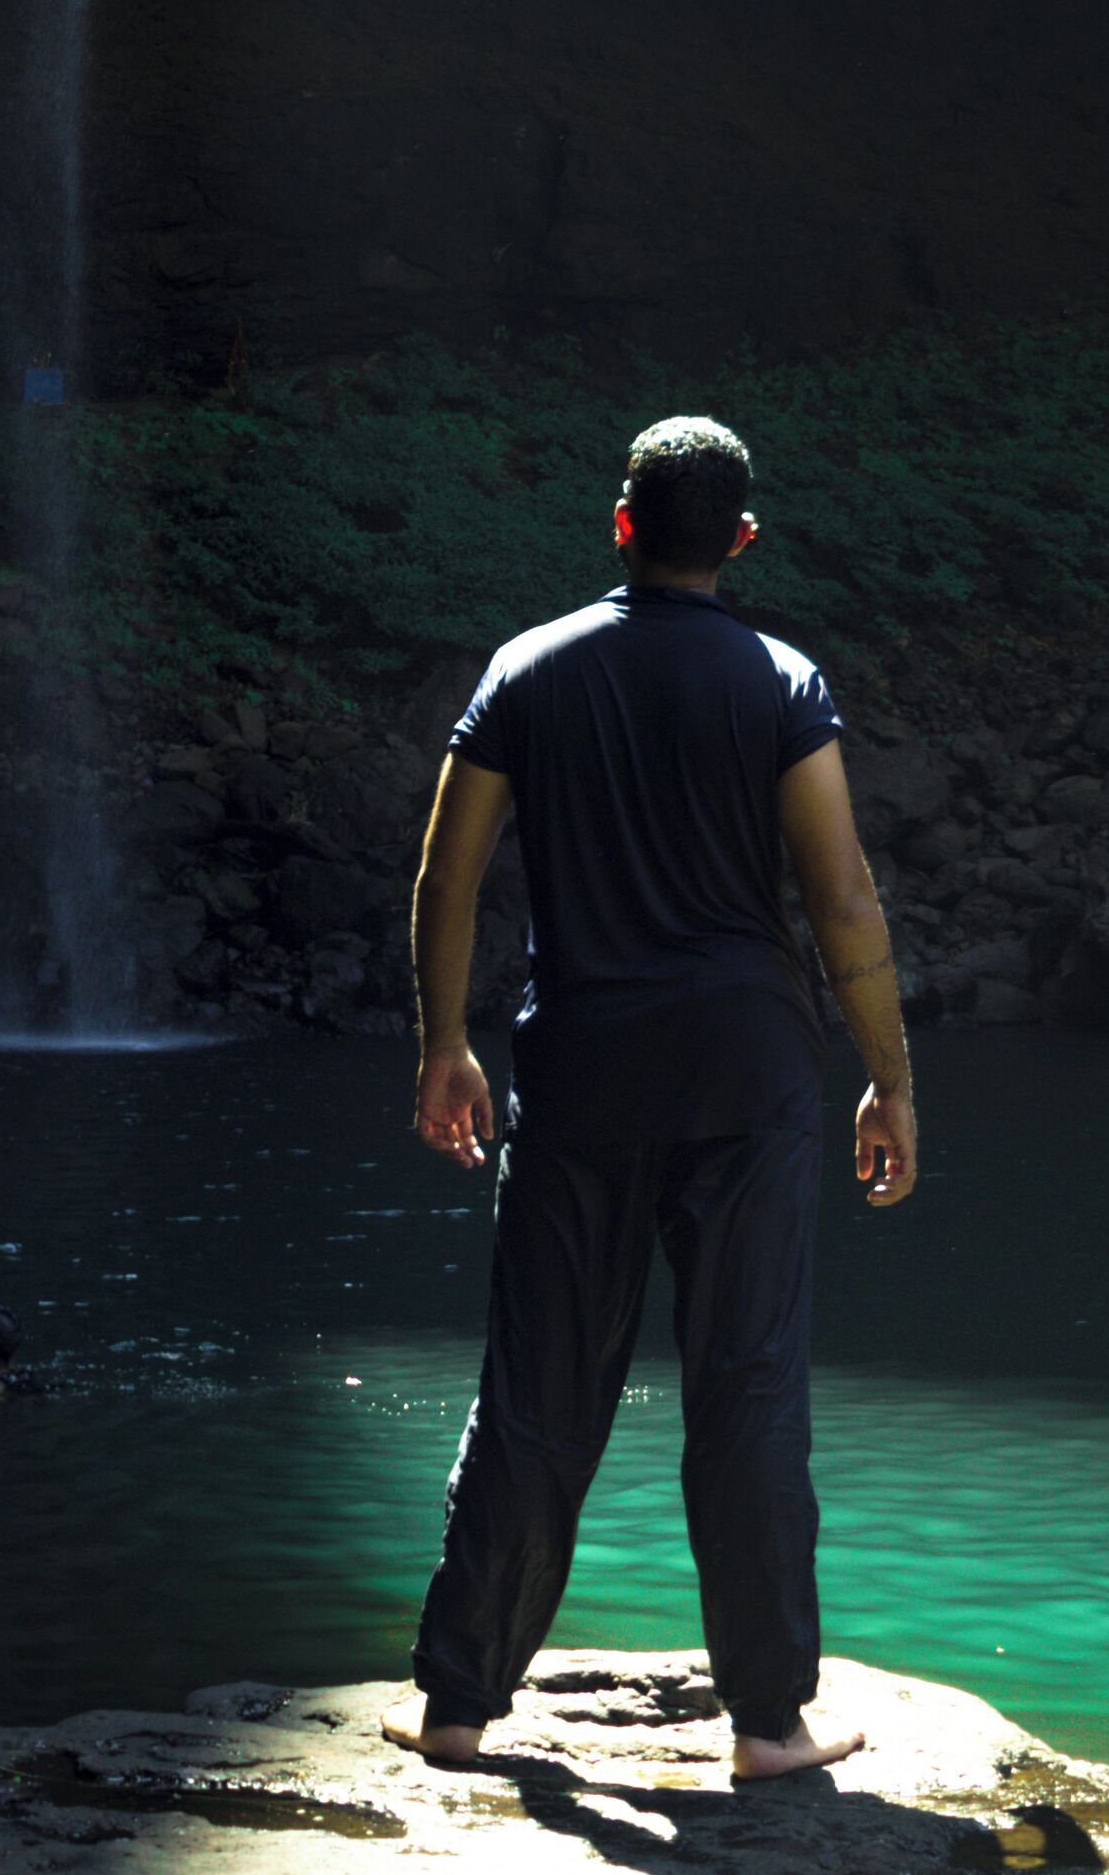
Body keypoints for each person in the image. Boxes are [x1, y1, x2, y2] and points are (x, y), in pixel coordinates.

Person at [391, 414, 916, 1786]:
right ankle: (766, 1726)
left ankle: (456, 1706)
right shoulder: (782, 682)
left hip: (579, 1076)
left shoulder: (527, 670)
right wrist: (889, 1078)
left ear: (620, 524)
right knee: (746, 1389)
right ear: (737, 540)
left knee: (536, 1387)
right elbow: (841, 899)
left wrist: (441, 1042)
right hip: (750, 1077)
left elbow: (448, 877)